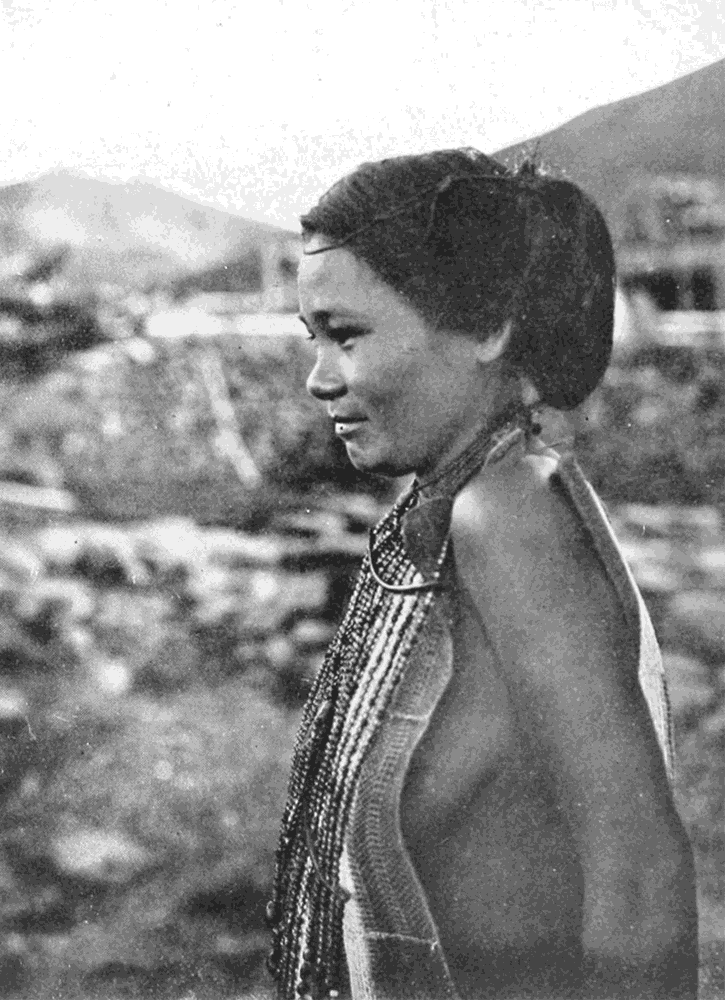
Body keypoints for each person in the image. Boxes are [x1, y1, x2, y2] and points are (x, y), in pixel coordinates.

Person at [266, 149, 698, 1000]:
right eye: (313, 338)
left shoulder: (505, 512)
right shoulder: (476, 501)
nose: (319, 380)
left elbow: (642, 883)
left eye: (347, 335)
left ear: (488, 327)